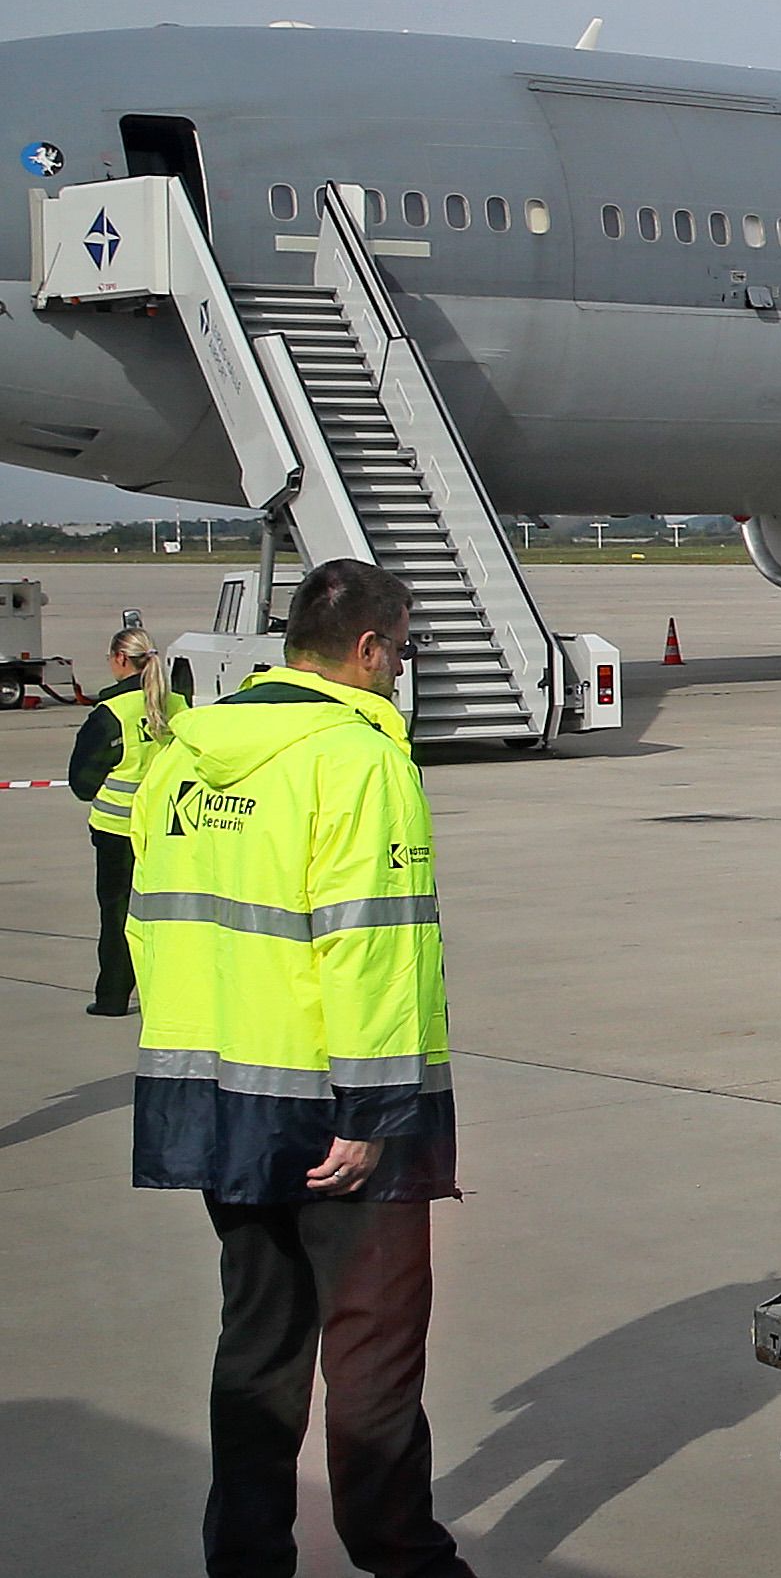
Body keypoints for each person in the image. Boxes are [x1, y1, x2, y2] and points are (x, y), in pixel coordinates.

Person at [127, 560, 473, 1578]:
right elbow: (369, 943)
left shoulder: (185, 756)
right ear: (367, 649)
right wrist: (370, 1111)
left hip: (220, 1097)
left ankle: (244, 1558)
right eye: (401, 650)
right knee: (372, 1353)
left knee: (258, 1344)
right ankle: (401, 1556)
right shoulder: (357, 757)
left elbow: (150, 923)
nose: (400, 668)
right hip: (334, 1107)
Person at [69, 624, 180, 1016]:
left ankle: (113, 997)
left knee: (117, 915)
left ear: (120, 659)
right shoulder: (177, 705)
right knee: (168, 916)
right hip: (169, 831)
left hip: (118, 833)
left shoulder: (111, 714)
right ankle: (167, 995)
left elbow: (82, 783)